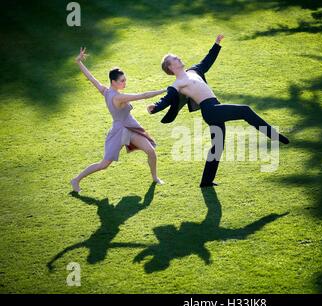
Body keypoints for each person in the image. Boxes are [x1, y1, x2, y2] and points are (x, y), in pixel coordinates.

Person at [147, 35, 289, 187]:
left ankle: (206, 182)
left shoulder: (194, 71)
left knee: (217, 147)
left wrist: (216, 44)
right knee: (245, 110)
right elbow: (167, 99)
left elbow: (207, 61)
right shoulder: (177, 84)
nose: (179, 58)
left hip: (215, 107)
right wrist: (155, 107)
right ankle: (273, 135)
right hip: (211, 110)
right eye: (175, 58)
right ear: (170, 67)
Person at [70, 47, 165, 193]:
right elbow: (144, 95)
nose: (124, 82)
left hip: (130, 128)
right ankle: (76, 180)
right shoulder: (119, 97)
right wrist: (165, 91)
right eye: (122, 81)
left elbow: (91, 78)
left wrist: (79, 62)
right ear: (113, 82)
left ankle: (155, 178)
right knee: (104, 164)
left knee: (151, 151)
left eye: (125, 80)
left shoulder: (105, 91)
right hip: (120, 132)